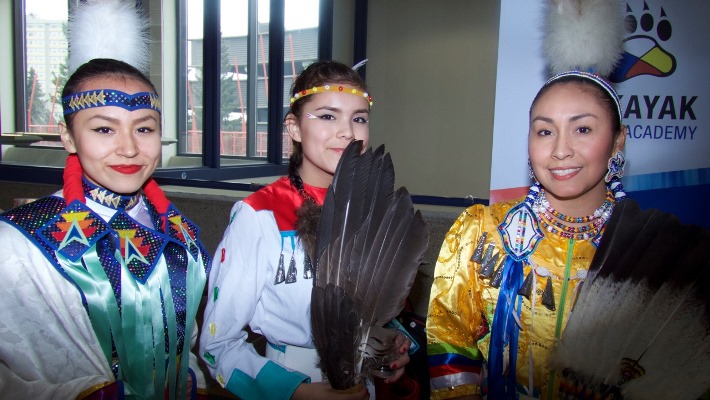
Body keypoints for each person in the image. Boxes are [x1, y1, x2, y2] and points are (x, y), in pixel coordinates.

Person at [200, 60, 414, 400]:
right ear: (294, 127)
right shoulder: (260, 215)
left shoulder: (371, 212)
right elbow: (216, 345)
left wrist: (382, 347)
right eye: (328, 116)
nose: (347, 131)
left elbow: (357, 313)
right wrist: (294, 392)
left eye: (359, 118)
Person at [0, 56, 210, 399]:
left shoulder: (177, 231)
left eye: (144, 128)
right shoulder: (17, 241)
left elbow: (186, 340)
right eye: (104, 129)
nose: (129, 148)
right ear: (68, 138)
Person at [426, 71, 629, 400]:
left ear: (617, 140)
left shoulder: (650, 248)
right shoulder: (483, 229)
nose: (560, 150)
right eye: (545, 131)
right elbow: (449, 335)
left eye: (582, 129)